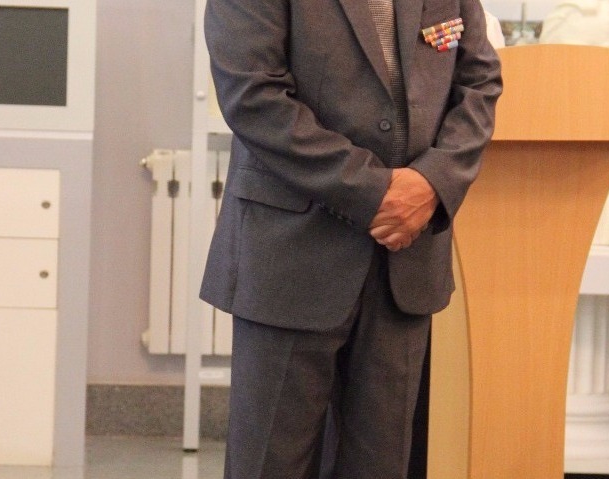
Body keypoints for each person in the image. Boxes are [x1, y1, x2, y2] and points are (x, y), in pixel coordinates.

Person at [200, 0, 502, 477]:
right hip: (291, 256)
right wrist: (376, 193)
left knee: (381, 464)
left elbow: (479, 82)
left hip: (404, 263)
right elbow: (253, 96)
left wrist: (434, 181)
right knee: (271, 463)